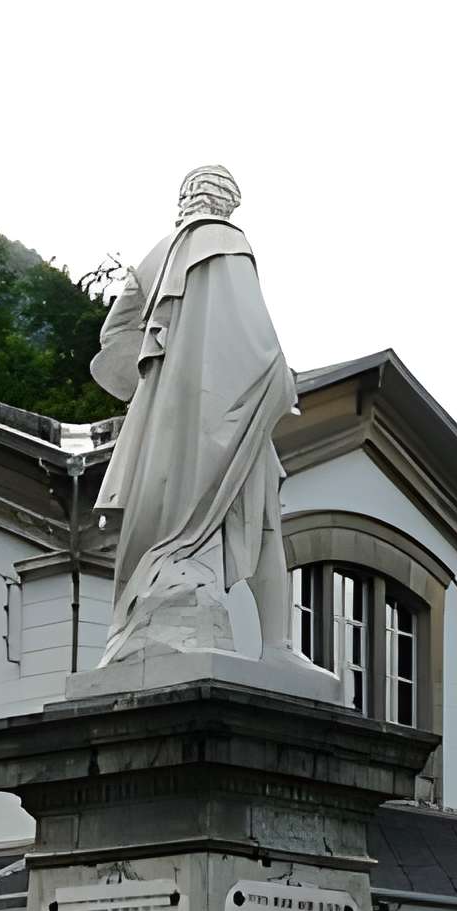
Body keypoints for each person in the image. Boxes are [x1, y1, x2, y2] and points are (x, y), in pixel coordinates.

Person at [89, 165, 328, 679]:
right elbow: (256, 340)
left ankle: (267, 644)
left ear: (184, 199)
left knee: (165, 520)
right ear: (227, 202)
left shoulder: (156, 257)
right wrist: (278, 382)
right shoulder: (226, 241)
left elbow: (115, 337)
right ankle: (275, 643)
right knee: (262, 520)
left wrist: (156, 384)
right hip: (229, 407)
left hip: (167, 421)